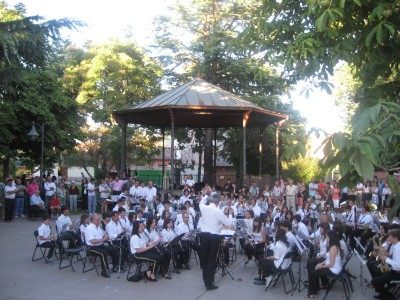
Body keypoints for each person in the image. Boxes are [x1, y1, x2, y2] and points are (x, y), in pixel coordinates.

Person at [199, 193, 233, 291]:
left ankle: (206, 280)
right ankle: (209, 283)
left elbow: (201, 201)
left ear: (210, 201)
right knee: (212, 260)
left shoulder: (203, 207)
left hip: (204, 236)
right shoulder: (218, 211)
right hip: (214, 237)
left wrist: (206, 194)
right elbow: (229, 223)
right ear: (218, 203)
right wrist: (230, 215)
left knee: (205, 259)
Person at [305, 230, 343, 298]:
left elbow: (331, 264)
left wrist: (321, 267)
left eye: (327, 237)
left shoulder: (333, 248)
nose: (326, 238)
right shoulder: (333, 246)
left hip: (333, 270)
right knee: (314, 268)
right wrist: (321, 264)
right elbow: (327, 259)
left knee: (313, 273)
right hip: (332, 267)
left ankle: (312, 293)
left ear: (331, 237)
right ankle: (315, 290)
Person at [85, 213, 119, 278]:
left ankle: (115, 267)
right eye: (97, 220)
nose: (99, 221)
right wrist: (103, 239)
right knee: (103, 253)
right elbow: (92, 241)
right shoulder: (89, 228)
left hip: (100, 245)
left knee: (113, 250)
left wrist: (106, 235)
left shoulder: (98, 227)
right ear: (93, 221)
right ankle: (104, 271)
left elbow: (102, 235)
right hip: (92, 247)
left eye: (99, 219)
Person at [371, 228, 400, 299]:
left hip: (397, 273)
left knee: (374, 281)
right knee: (378, 274)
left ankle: (389, 298)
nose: (388, 238)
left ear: (395, 238)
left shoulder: (398, 248)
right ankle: (383, 293)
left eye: (390, 237)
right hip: (395, 270)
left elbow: (398, 266)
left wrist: (386, 259)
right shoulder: (396, 246)